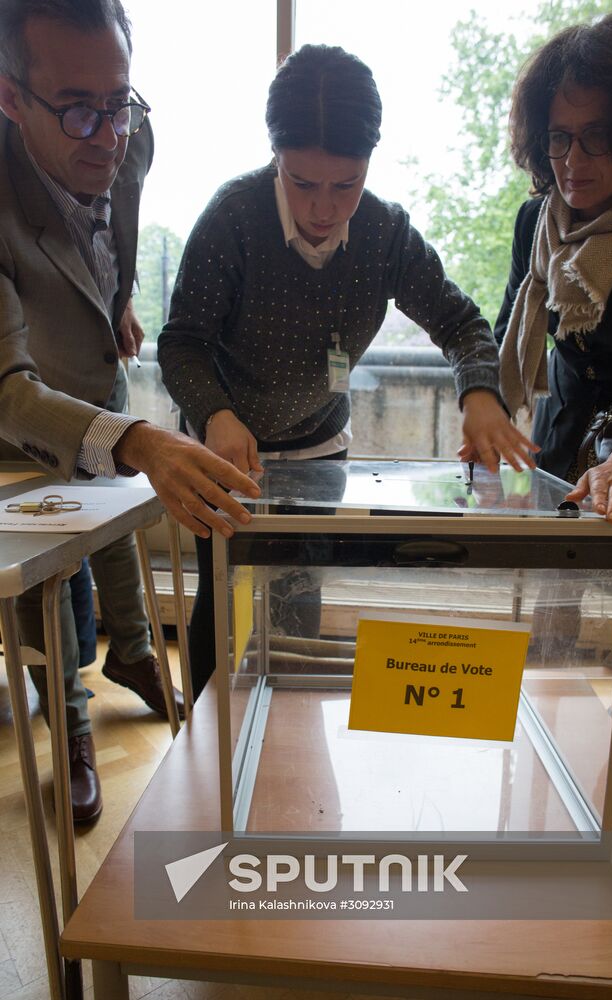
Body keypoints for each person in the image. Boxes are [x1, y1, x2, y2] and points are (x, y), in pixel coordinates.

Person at [158, 43, 538, 700]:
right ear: (276, 156)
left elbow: (460, 322)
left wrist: (479, 394)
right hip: (224, 455)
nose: (323, 209)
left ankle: (287, 750)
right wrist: (215, 415)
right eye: (303, 183)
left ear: (368, 166)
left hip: (319, 449)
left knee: (300, 602)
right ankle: (206, 750)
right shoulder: (233, 218)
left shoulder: (384, 233)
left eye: (346, 185)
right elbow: (182, 343)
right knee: (219, 608)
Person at [0, 0, 260, 822]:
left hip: (90, 357)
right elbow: (8, 389)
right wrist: (140, 439)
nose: (108, 135)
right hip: (18, 403)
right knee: (51, 565)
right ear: (10, 98)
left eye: (119, 103)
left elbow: (113, 222)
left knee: (115, 522)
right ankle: (72, 728)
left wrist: (114, 300)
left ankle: (137, 657)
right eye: (78, 109)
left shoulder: (128, 134)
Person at [494, 8, 612, 765]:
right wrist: (493, 421)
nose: (574, 158)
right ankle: (539, 754)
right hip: (566, 436)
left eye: (597, 136)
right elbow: (510, 328)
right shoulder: (537, 219)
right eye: (559, 137)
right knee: (549, 612)